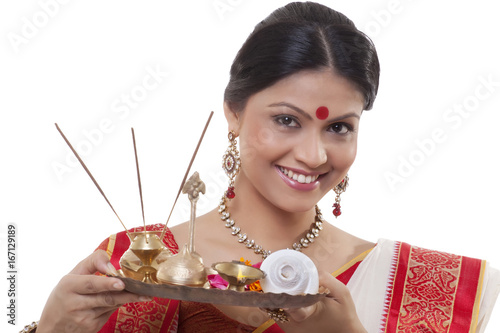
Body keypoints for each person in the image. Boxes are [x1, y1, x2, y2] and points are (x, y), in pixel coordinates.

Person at [30, 2, 499, 333]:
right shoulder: (141, 262)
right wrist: (51, 330)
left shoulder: (430, 287)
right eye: (286, 120)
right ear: (233, 112)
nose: (314, 156)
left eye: (339, 128)